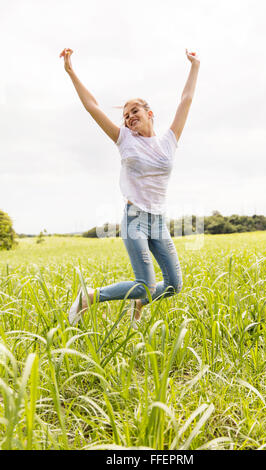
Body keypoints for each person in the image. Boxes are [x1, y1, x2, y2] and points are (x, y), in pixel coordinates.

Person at [60, 47, 200, 327]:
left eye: (134, 111)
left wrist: (195, 65)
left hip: (159, 221)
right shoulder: (124, 139)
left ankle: (138, 303)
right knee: (145, 284)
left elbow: (186, 99)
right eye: (125, 115)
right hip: (135, 218)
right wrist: (71, 72)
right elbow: (93, 106)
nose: (128, 117)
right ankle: (90, 296)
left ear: (149, 113)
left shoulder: (168, 141)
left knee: (174, 285)